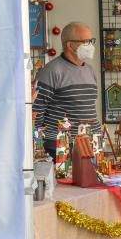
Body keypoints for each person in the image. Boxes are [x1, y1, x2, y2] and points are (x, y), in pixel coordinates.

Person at [33, 22, 101, 156]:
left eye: (91, 41)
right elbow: (37, 112)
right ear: (70, 45)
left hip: (92, 142)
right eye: (86, 41)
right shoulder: (51, 71)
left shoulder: (90, 71)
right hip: (62, 145)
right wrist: (39, 146)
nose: (91, 45)